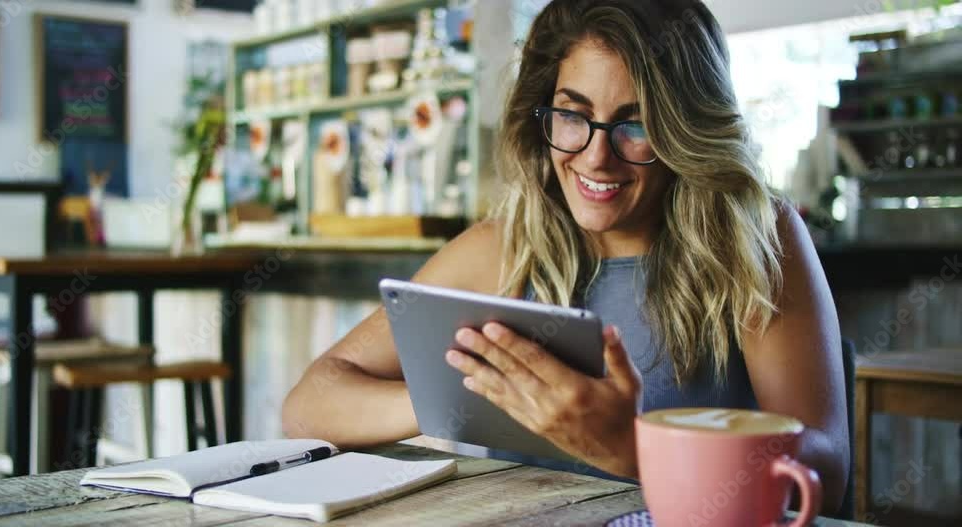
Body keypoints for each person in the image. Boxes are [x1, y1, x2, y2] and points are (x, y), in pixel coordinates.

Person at [282, 0, 849, 514]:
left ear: (684, 130)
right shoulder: (503, 249)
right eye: (572, 115)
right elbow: (310, 405)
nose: (596, 158)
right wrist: (481, 391)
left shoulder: (755, 239)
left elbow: (825, 465)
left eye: (636, 124)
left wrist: (631, 446)